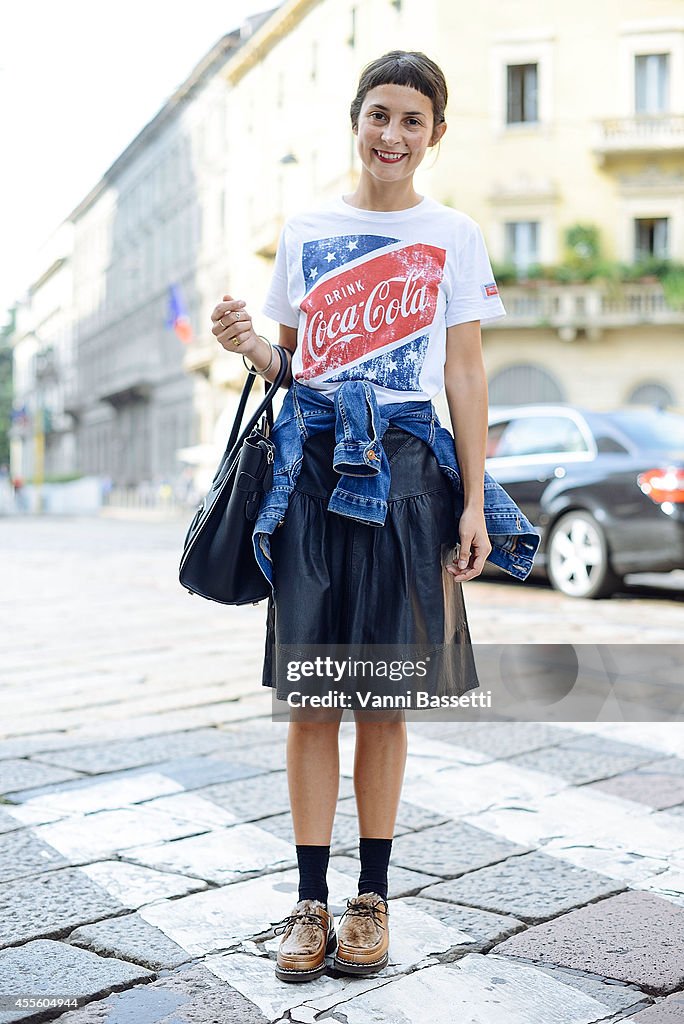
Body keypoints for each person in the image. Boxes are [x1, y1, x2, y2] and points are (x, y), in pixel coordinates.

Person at [211, 51, 539, 983]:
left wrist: (474, 500)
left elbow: (465, 372)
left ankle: (372, 897)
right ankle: (310, 903)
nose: (391, 135)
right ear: (355, 120)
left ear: (436, 135)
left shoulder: (454, 233)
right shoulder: (307, 228)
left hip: (407, 477)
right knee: (313, 699)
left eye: (412, 120)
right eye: (379, 115)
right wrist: (250, 348)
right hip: (314, 477)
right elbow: (289, 370)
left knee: (385, 701)